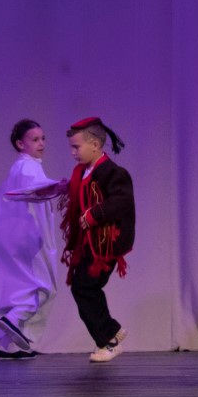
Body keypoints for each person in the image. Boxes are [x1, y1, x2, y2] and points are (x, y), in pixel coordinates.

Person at [0, 119, 65, 360]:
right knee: (43, 286)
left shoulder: (19, 167)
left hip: (17, 237)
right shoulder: (27, 167)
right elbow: (35, 190)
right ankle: (13, 319)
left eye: (43, 138)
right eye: (35, 139)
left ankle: (8, 348)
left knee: (24, 286)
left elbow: (0, 201)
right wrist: (61, 187)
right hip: (28, 238)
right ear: (20, 143)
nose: (41, 143)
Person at [61, 117, 134, 363]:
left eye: (76, 147)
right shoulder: (83, 172)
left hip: (105, 244)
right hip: (89, 244)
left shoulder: (113, 173)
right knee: (83, 287)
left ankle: (109, 340)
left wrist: (93, 215)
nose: (73, 153)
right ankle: (111, 332)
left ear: (94, 145)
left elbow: (121, 201)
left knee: (84, 287)